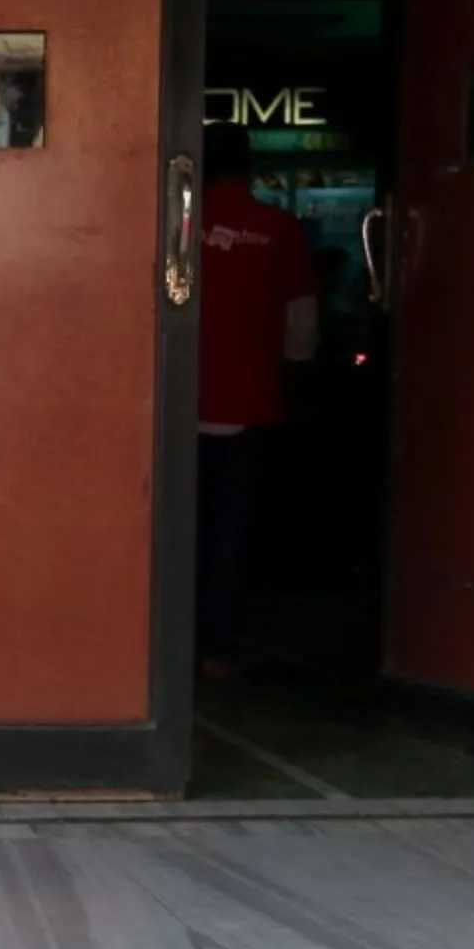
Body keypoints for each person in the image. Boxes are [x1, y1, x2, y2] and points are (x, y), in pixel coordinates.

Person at [197, 122, 320, 680]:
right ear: (247, 168)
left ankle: (167, 651)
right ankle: (218, 649)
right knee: (232, 533)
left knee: (177, 531)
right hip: (250, 407)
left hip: (175, 409)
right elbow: (302, 328)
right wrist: (291, 385)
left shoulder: (175, 225)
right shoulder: (278, 228)